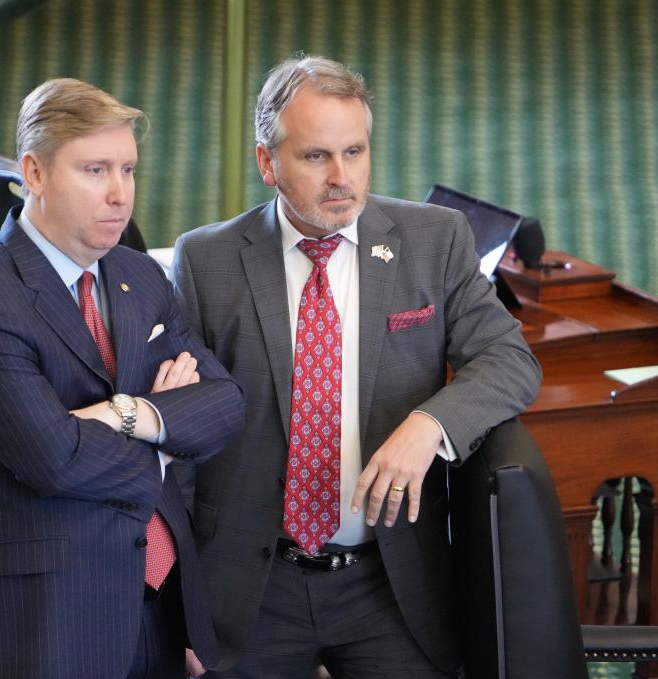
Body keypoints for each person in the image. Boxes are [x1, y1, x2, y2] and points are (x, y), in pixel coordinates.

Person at [171, 56, 542, 678]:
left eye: (355, 151)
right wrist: (175, 602)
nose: (342, 176)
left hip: (389, 583)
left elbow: (510, 359)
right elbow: (181, 439)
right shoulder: (206, 261)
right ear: (268, 163)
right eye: (316, 157)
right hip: (251, 586)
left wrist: (430, 425)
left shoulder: (436, 240)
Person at [0, 78, 245, 678]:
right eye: (95, 170)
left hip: (158, 613)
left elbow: (225, 402)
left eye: (128, 170)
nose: (120, 195)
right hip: (42, 627)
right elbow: (55, 459)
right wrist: (163, 446)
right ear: (35, 173)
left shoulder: (139, 276)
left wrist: (131, 415)